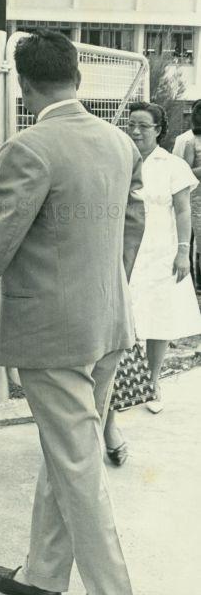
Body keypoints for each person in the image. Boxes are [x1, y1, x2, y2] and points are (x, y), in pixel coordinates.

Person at [0, 30, 145, 595]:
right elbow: (132, 223)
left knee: (77, 467)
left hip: (53, 334)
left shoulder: (29, 147)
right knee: (69, 455)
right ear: (79, 76)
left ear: (23, 85)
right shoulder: (121, 142)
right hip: (108, 323)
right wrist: (104, 284)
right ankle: (44, 576)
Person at [107, 103, 201, 437]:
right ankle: (120, 385)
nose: (135, 131)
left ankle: (153, 382)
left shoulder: (172, 164)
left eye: (143, 126)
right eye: (131, 124)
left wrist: (182, 252)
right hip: (125, 247)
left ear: (159, 130)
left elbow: (183, 211)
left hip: (161, 247)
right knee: (125, 313)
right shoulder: (119, 160)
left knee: (158, 316)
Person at [173, 99, 201, 287]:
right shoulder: (186, 140)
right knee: (192, 243)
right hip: (194, 199)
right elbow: (178, 173)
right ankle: (193, 282)